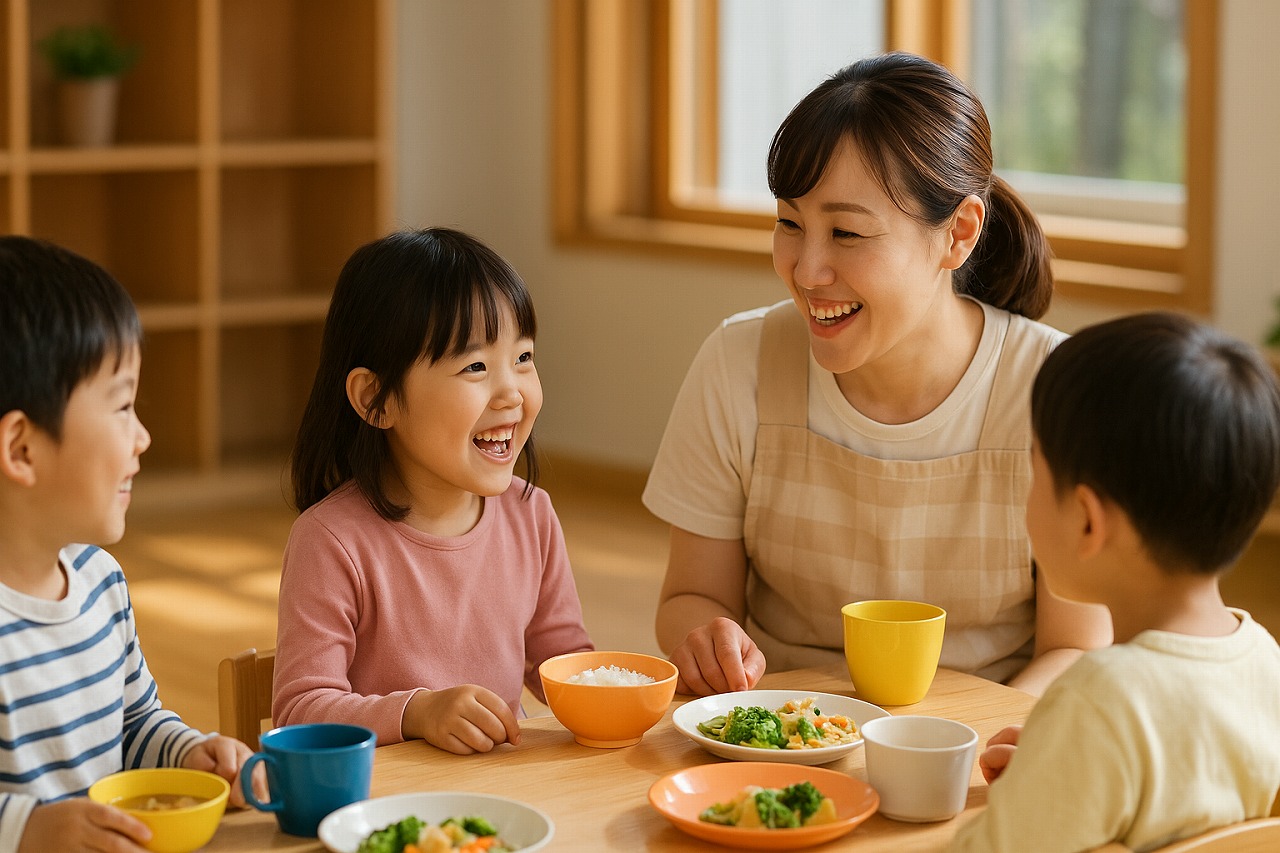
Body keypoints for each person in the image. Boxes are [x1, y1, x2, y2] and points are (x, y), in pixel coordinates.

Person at [642, 51, 1112, 697]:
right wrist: (704, 637)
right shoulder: (738, 361)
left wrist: (977, 746)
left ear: (959, 233)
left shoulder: (1057, 389)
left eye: (847, 232)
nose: (807, 270)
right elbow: (693, 597)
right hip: (787, 734)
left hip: (982, 751)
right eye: (789, 222)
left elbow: (1076, 649)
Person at [951, 311, 1280, 852]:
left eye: (1036, 473)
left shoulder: (1099, 699)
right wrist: (1056, 777)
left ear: (1087, 520)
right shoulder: (1262, 660)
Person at [273, 228, 593, 755]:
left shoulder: (530, 513)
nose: (511, 391)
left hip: (506, 800)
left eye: (523, 358)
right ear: (376, 400)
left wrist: (670, 685)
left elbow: (564, 665)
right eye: (475, 366)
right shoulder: (331, 540)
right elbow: (301, 709)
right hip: (395, 809)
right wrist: (417, 712)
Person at [0, 236, 260, 853]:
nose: (142, 437)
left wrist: (189, 754)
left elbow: (135, 723)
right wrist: (27, 830)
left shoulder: (100, 582)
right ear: (22, 450)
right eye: (121, 407)